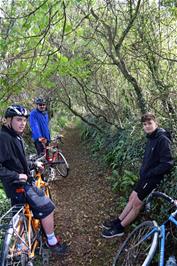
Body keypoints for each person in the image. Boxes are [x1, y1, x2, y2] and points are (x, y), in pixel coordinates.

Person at [0, 105, 67, 254]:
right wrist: (16, 176)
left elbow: (18, 161)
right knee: (48, 207)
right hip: (18, 184)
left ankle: (21, 247)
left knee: (22, 213)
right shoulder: (4, 138)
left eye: (24, 120)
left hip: (15, 185)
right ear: (8, 120)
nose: (22, 123)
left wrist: (33, 164)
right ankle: (52, 242)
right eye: (18, 120)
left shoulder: (13, 135)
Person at [101, 112, 174, 238]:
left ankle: (120, 228)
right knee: (131, 198)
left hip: (152, 179)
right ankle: (118, 221)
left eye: (149, 123)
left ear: (156, 123)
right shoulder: (151, 137)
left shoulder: (162, 139)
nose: (147, 126)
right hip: (145, 176)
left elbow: (167, 163)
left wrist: (151, 173)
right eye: (144, 124)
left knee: (137, 204)